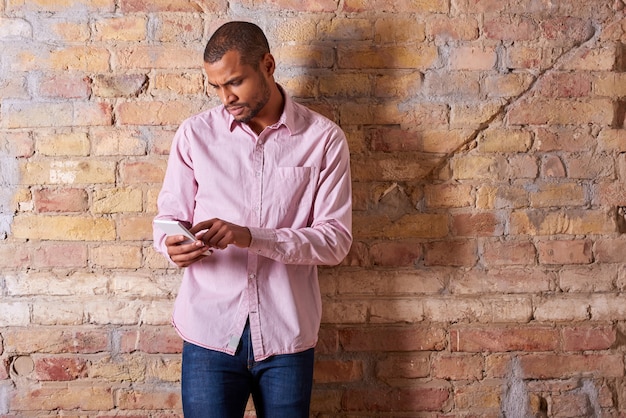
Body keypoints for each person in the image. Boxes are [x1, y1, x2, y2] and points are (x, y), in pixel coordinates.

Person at [152, 21, 353, 418]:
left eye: (236, 82)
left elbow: (335, 241)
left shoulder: (324, 140)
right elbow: (168, 218)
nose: (226, 97)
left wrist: (252, 237)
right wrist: (169, 244)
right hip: (209, 333)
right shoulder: (194, 135)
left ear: (268, 64)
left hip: (286, 339)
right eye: (216, 87)